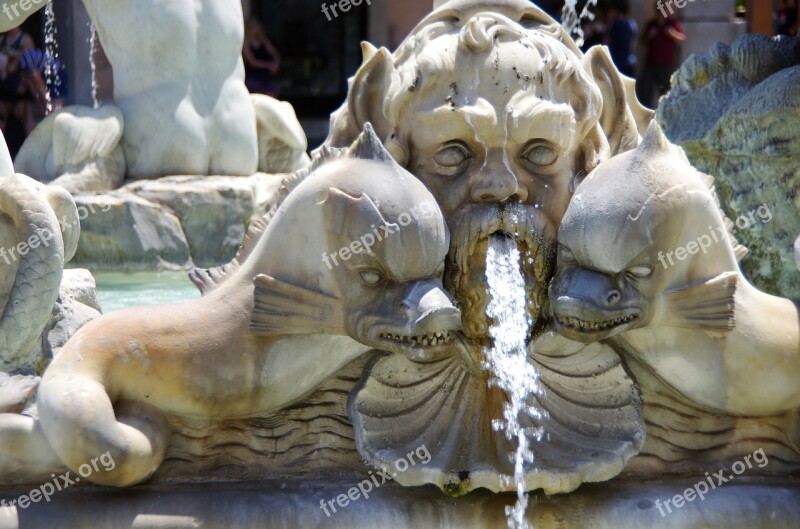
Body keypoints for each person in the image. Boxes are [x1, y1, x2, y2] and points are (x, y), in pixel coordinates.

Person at [637, 3, 686, 109]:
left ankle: (665, 112)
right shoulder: (652, 24)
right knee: (646, 90)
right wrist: (649, 36)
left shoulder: (672, 23)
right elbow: (642, 41)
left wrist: (672, 34)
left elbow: (682, 38)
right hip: (651, 63)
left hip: (666, 64)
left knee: (666, 91)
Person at [243, 19, 281, 96]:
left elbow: (274, 53)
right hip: (252, 77)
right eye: (253, 27)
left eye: (257, 27)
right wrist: (269, 65)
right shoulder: (246, 44)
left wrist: (276, 63)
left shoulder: (264, 41)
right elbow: (253, 62)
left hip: (265, 76)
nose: (256, 29)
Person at [605, 0, 637, 77]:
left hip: (616, 62)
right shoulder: (632, 23)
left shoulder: (615, 24)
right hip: (629, 61)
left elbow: (606, 41)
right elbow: (633, 44)